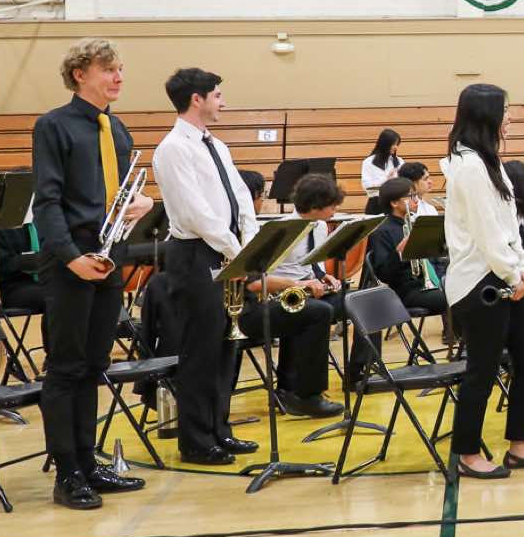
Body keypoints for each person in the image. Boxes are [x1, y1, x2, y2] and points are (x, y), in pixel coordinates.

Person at [30, 39, 153, 509]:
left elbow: (119, 197)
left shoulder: (116, 128)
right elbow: (47, 202)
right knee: (66, 367)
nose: (118, 77)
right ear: (80, 74)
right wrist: (70, 257)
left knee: (94, 365)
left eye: (120, 69)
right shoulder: (53, 125)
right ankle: (67, 474)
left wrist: (142, 203)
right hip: (71, 261)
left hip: (109, 257)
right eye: (108, 69)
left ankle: (88, 462)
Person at [439, 84, 524, 479]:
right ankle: (466, 453)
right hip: (479, 284)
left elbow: (509, 228)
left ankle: (519, 444)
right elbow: (487, 233)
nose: (510, 117)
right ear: (486, 114)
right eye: (505, 110)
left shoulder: (489, 162)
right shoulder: (469, 167)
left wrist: (523, 266)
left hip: (504, 276)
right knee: (483, 368)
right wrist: (515, 273)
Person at [151, 67, 260, 466]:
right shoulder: (172, 149)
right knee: (201, 349)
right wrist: (235, 249)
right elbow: (194, 213)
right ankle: (196, 439)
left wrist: (248, 244)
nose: (222, 102)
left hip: (227, 251)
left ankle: (220, 429)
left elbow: (240, 197)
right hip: (196, 254)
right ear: (196, 99)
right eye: (216, 95)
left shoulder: (217, 145)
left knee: (227, 345)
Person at [233, 170, 345, 420]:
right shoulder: (277, 231)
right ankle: (306, 395)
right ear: (315, 206)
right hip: (257, 305)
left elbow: (312, 264)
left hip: (298, 292)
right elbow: (253, 282)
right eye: (331, 205)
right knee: (317, 313)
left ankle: (358, 375)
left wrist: (322, 277)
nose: (335, 211)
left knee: (356, 301)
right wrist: (298, 285)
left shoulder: (320, 227)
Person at [364, 178, 447, 336]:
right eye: (411, 196)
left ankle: (462, 340)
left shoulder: (416, 224)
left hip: (430, 284)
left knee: (466, 291)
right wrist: (399, 253)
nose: (416, 200)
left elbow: (433, 257)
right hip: (407, 291)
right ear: (394, 203)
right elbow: (384, 274)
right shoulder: (381, 231)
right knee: (457, 298)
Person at [361, 128, 402, 213]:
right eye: (393, 144)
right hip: (375, 204)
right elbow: (367, 186)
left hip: (395, 204)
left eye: (397, 144)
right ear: (384, 144)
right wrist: (386, 181)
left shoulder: (400, 161)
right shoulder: (368, 162)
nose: (396, 147)